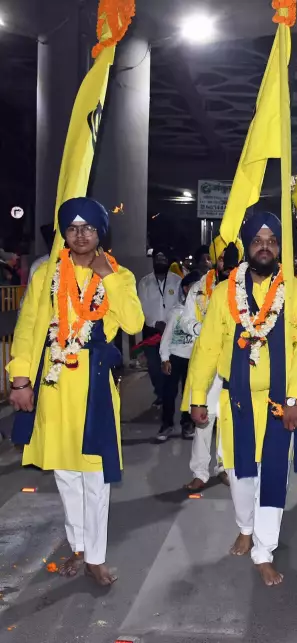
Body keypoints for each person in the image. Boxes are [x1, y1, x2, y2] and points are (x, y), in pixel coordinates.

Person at [7, 197, 144, 586]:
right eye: (72, 228)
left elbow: (134, 322)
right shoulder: (46, 275)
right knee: (66, 474)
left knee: (95, 475)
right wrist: (20, 380)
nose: (81, 235)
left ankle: (96, 557)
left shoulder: (119, 274)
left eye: (88, 228)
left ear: (101, 233)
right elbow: (28, 328)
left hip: (94, 384)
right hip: (54, 384)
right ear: (64, 234)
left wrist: (108, 278)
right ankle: (79, 547)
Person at [188, 212, 297, 586]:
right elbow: (208, 347)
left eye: (272, 240)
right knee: (239, 474)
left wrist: (293, 398)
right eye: (258, 240)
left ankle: (264, 550)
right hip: (237, 402)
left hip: (278, 404)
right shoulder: (223, 292)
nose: (265, 246)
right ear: (247, 246)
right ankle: (245, 527)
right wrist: (197, 396)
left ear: (280, 247)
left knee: (273, 474)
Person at [181, 236, 243, 491]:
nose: (226, 265)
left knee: (229, 418)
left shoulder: (245, 287)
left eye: (231, 260)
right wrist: (204, 329)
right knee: (203, 420)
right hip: (206, 360)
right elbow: (185, 320)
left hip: (232, 361)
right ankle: (200, 472)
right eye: (221, 259)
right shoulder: (199, 288)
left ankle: (224, 467)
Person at [156, 270, 202, 442]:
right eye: (194, 287)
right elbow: (167, 336)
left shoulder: (204, 312)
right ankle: (167, 424)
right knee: (169, 393)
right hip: (175, 357)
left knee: (189, 393)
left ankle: (187, 423)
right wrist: (165, 358)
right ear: (185, 289)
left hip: (195, 359)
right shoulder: (177, 312)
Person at [137, 250, 182, 406]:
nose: (160, 261)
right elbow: (142, 306)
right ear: (154, 261)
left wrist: (169, 323)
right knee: (154, 367)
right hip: (152, 331)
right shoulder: (145, 282)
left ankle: (167, 396)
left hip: (172, 330)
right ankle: (160, 393)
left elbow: (180, 303)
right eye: (158, 258)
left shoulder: (177, 281)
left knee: (170, 365)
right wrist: (155, 322)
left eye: (163, 259)